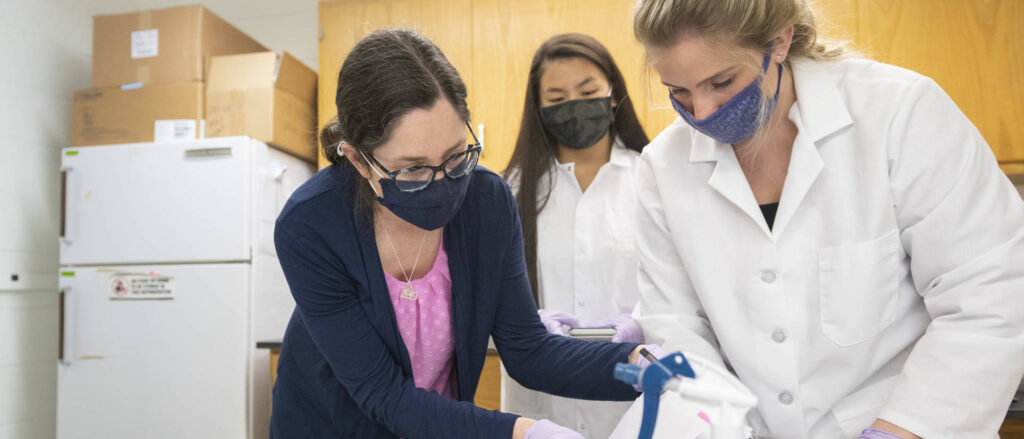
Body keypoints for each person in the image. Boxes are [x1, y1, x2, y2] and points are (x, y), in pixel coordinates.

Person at [629, 0, 1024, 437]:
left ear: (780, 41)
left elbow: (991, 295)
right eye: (678, 91)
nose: (701, 113)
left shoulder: (897, 114)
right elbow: (679, 329)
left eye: (721, 82)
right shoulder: (663, 166)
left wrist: (903, 430)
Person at [268, 28, 654, 439]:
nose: (442, 182)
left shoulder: (486, 201)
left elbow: (529, 351)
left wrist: (636, 365)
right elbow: (385, 396)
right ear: (360, 162)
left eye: (455, 156)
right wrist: (523, 433)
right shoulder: (312, 224)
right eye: (413, 168)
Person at [501, 33, 651, 438]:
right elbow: (489, 295)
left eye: (588, 91)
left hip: (632, 397)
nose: (575, 106)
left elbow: (681, 286)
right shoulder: (510, 190)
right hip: (541, 403)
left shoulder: (653, 179)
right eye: (557, 98)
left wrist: (639, 324)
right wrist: (524, 323)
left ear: (613, 94)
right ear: (539, 109)